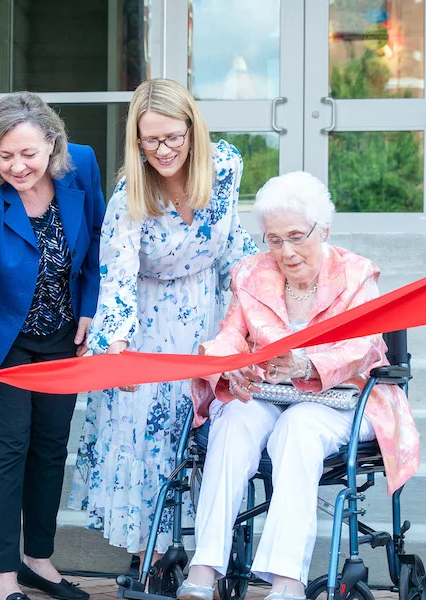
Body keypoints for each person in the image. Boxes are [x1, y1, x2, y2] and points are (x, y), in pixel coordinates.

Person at [177, 172, 420, 600]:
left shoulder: (357, 274)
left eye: (295, 236)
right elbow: (232, 333)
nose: (285, 252)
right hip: (274, 393)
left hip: (345, 400)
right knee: (233, 418)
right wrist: (225, 363)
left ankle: (287, 582)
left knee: (299, 428)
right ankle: (205, 566)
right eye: (274, 240)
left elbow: (365, 346)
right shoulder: (250, 273)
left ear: (322, 229)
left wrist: (308, 361)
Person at [69, 78, 258, 559]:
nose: (164, 149)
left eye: (174, 136)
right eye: (151, 140)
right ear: (137, 141)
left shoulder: (226, 168)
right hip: (149, 328)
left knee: (207, 438)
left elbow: (233, 245)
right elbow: (117, 278)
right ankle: (152, 556)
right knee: (152, 440)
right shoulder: (129, 197)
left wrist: (253, 317)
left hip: (207, 321)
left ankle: (208, 558)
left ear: (193, 130)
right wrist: (118, 349)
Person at [0, 92, 106, 600]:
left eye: (29, 155)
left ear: (53, 145)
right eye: (5, 155)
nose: (17, 166)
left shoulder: (81, 168)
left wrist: (90, 306)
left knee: (51, 448)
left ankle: (38, 558)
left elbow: (98, 238)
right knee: (3, 452)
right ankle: (2, 577)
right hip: (0, 341)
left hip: (60, 336)